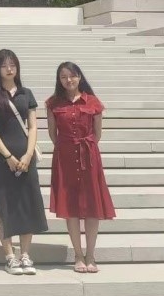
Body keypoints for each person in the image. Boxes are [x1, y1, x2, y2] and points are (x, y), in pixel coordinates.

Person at [0, 49, 48, 276]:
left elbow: (33, 126)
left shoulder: (26, 94)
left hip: (26, 155)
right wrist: (8, 156)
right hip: (1, 158)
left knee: (27, 203)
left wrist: (28, 155)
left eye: (12, 65)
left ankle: (25, 255)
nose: (9, 69)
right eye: (4, 65)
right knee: (4, 205)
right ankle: (10, 256)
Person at [46, 62, 115, 273]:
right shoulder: (53, 103)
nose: (69, 80)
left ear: (79, 77)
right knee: (71, 207)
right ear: (59, 80)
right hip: (65, 158)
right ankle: (78, 254)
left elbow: (97, 134)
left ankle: (90, 254)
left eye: (72, 76)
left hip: (89, 157)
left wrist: (85, 147)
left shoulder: (93, 102)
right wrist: (67, 147)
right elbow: (53, 134)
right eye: (63, 77)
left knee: (93, 207)